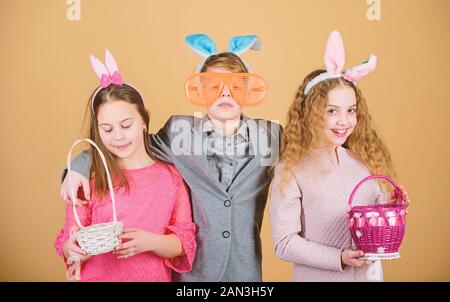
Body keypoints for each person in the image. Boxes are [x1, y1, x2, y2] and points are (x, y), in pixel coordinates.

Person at [60, 35, 281, 281]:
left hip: (244, 272)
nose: (225, 94)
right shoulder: (179, 132)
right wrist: (78, 167)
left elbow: (305, 157)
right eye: (213, 87)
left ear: (249, 90)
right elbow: (131, 144)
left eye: (236, 86)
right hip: (195, 274)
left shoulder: (271, 136)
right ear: (198, 90)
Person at [269, 31, 410, 281]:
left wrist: (393, 208)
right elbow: (284, 243)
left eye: (351, 110)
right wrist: (339, 257)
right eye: (332, 110)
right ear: (310, 114)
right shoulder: (291, 170)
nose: (344, 121)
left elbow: (373, 224)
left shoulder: (363, 163)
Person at [55, 50, 196, 281]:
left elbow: (184, 240)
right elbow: (69, 236)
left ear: (143, 120)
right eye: (107, 129)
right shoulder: (89, 178)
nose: (118, 136)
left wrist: (151, 242)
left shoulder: (170, 177)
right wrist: (71, 249)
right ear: (98, 130)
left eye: (126, 125)